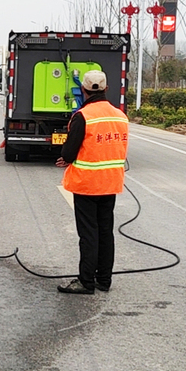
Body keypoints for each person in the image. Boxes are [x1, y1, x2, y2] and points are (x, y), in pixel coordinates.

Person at [55, 70, 129, 294]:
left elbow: (68, 152)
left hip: (87, 184)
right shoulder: (120, 116)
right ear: (106, 89)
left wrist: (66, 158)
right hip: (110, 183)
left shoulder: (83, 116)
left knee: (88, 234)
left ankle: (86, 281)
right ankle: (103, 280)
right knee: (105, 232)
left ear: (83, 90)